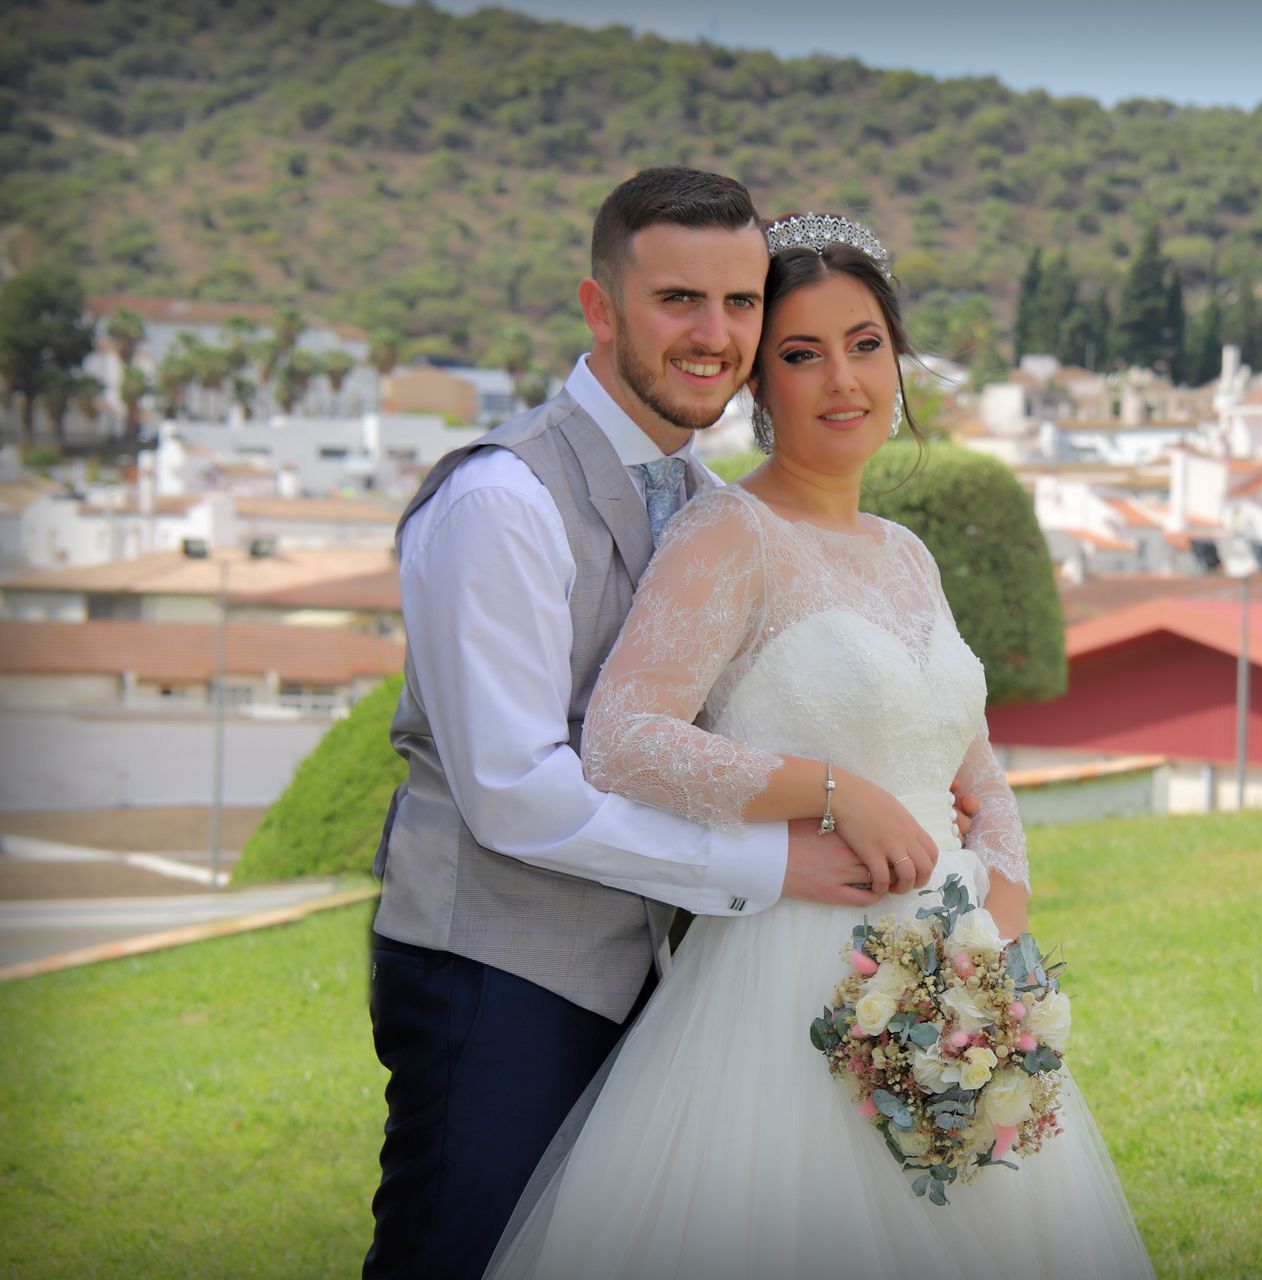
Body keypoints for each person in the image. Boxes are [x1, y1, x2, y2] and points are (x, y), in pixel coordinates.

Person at [484, 214, 1153, 1278]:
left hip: (952, 973)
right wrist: (830, 789)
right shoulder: (728, 535)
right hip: (787, 971)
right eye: (802, 354)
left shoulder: (909, 554)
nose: (842, 379)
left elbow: (974, 769)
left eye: (865, 344)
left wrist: (996, 935)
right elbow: (622, 739)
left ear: (899, 360)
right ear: (760, 384)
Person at [364, 170, 972, 1280]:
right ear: (601, 309)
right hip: (499, 968)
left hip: (678, 974)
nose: (716, 334)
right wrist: (772, 851)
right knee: (464, 1253)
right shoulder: (501, 500)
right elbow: (515, 791)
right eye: (678, 300)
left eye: (741, 304)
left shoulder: (706, 500)